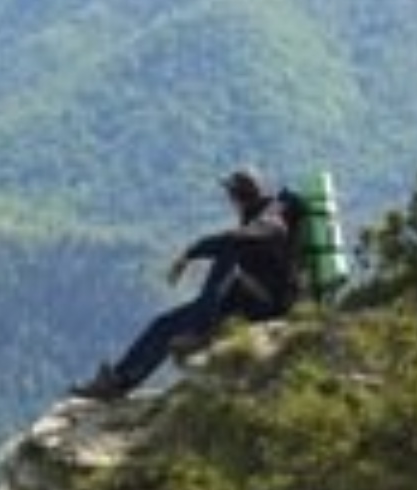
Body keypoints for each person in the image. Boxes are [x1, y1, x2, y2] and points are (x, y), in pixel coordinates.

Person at [70, 169, 299, 401]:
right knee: (164, 324)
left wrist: (192, 252)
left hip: (261, 306)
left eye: (230, 196)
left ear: (235, 198)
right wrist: (193, 254)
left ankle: (125, 377)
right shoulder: (272, 209)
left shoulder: (267, 221)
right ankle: (120, 380)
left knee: (226, 255)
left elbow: (248, 236)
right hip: (250, 298)